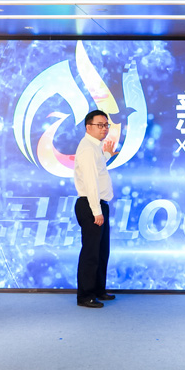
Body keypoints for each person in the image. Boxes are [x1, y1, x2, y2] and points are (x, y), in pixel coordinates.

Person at [74, 110, 117, 308]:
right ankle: (85, 296)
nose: (104, 129)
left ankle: (98, 290)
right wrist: (96, 211)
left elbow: (97, 169)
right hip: (92, 206)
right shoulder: (88, 149)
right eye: (100, 125)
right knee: (91, 253)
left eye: (106, 125)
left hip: (98, 205)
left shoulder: (94, 148)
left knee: (101, 251)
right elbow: (91, 182)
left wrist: (106, 154)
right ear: (88, 127)